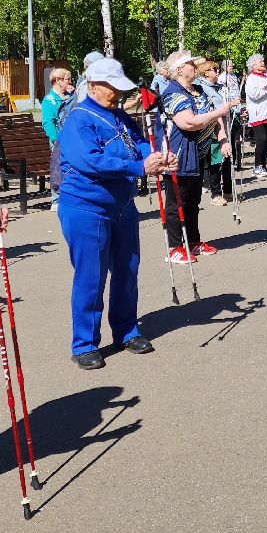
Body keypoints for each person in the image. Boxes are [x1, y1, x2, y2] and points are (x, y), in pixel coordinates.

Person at [57, 57, 175, 369]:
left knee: (127, 270)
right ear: (93, 86)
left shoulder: (120, 115)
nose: (119, 93)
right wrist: (139, 167)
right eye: (113, 87)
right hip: (86, 207)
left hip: (122, 206)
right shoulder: (78, 118)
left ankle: (126, 330)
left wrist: (158, 158)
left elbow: (140, 144)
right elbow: (90, 161)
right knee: (91, 276)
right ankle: (84, 343)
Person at [156, 51, 229, 261]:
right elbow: (188, 122)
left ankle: (193, 241)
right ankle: (175, 247)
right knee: (177, 202)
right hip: (178, 154)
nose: (195, 66)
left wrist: (222, 139)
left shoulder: (198, 89)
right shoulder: (173, 93)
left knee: (193, 200)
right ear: (179, 70)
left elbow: (213, 116)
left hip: (197, 152)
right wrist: (220, 112)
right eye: (190, 63)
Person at [194, 60, 235, 206]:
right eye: (215, 69)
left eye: (218, 69)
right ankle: (215, 193)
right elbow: (212, 108)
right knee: (215, 160)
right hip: (210, 128)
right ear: (206, 73)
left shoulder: (220, 87)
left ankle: (228, 190)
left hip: (225, 124)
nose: (218, 72)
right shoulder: (201, 88)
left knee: (228, 157)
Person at [40, 66, 74, 208]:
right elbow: (48, 123)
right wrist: (57, 140)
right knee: (58, 168)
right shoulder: (49, 100)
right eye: (67, 79)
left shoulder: (70, 97)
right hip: (59, 141)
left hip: (72, 139)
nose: (70, 82)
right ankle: (56, 200)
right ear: (58, 80)